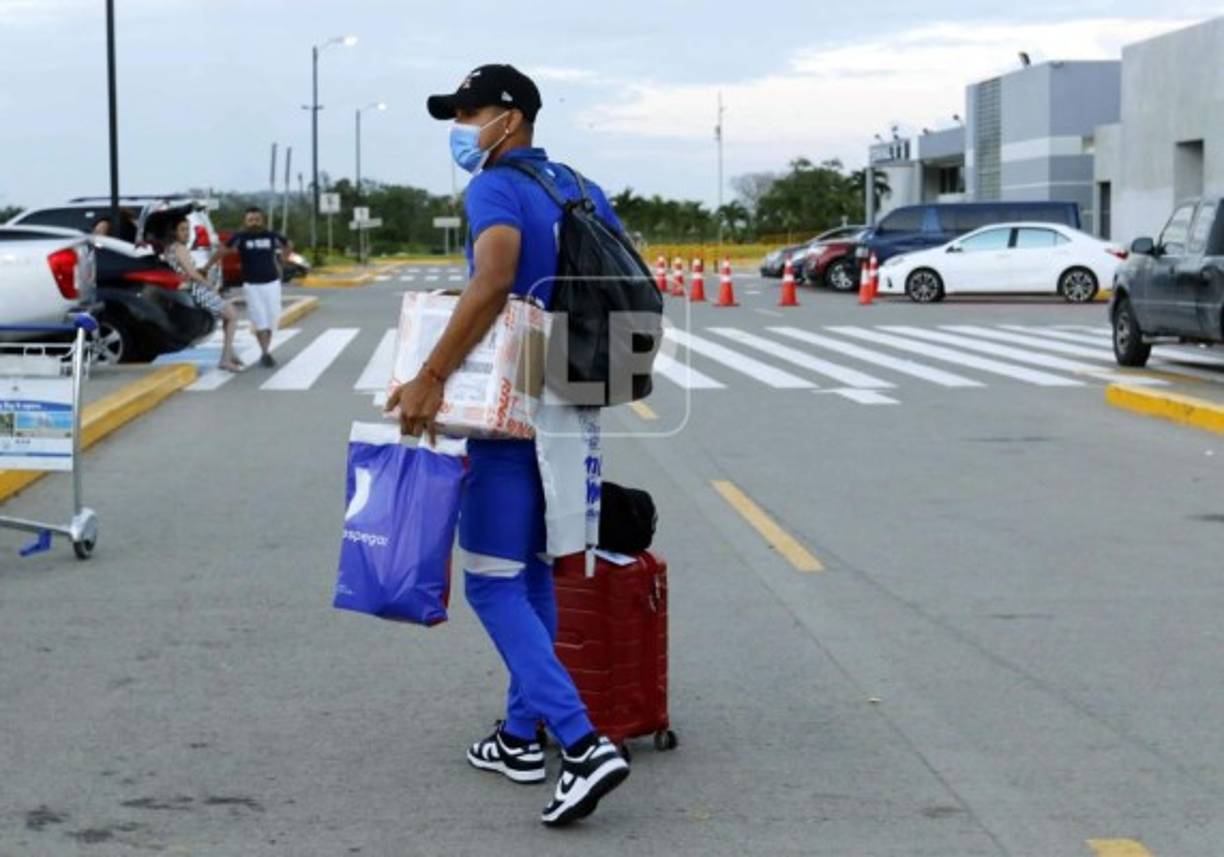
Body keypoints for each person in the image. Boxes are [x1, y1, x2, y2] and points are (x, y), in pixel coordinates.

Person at [387, 64, 629, 828]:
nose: (461, 126)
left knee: (491, 581)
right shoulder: (578, 186)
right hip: (567, 395)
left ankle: (583, 744)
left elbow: (492, 280)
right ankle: (522, 737)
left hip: (507, 405)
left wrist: (430, 376)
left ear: (511, 117)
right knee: (534, 571)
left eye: (470, 111)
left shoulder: (494, 185)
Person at [163, 216, 243, 372]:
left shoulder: (169, 248)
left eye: (188, 229)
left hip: (187, 288)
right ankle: (225, 359)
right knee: (232, 315)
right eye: (182, 229)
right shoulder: (179, 248)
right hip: (195, 289)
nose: (186, 233)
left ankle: (230, 353)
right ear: (174, 232)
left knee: (228, 317)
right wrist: (209, 285)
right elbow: (191, 273)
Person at [214, 208, 291, 367]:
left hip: (272, 284)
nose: (254, 223)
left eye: (257, 219)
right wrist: (207, 266)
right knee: (259, 319)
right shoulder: (240, 237)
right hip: (252, 285)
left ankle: (266, 349)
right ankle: (265, 353)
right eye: (250, 220)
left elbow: (287, 244)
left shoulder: (271, 236)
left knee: (271, 320)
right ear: (245, 221)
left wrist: (284, 258)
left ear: (262, 220)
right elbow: (223, 250)